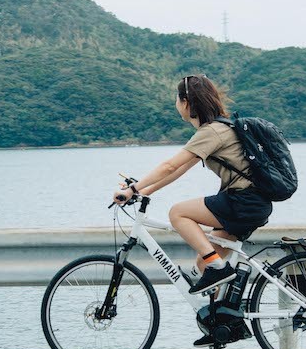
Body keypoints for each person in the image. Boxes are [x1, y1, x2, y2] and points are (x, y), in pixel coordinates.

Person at [111, 74, 273, 309]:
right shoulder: (220, 128)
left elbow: (170, 165)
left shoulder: (212, 132)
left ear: (186, 102)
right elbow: (178, 171)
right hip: (252, 203)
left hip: (244, 201)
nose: (177, 105)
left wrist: (133, 188)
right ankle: (219, 321)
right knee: (203, 262)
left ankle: (219, 268)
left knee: (178, 213)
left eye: (177, 100)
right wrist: (143, 191)